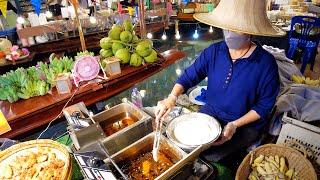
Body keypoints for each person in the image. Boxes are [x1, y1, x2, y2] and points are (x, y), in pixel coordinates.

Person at [155, 0, 285, 162]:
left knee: (210, 156)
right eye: (226, 28)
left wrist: (234, 125)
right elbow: (189, 76)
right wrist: (172, 98)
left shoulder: (265, 63)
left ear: (249, 32)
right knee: (185, 147)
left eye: (236, 30)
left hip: (244, 124)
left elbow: (264, 106)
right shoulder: (214, 52)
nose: (229, 34)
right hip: (211, 113)